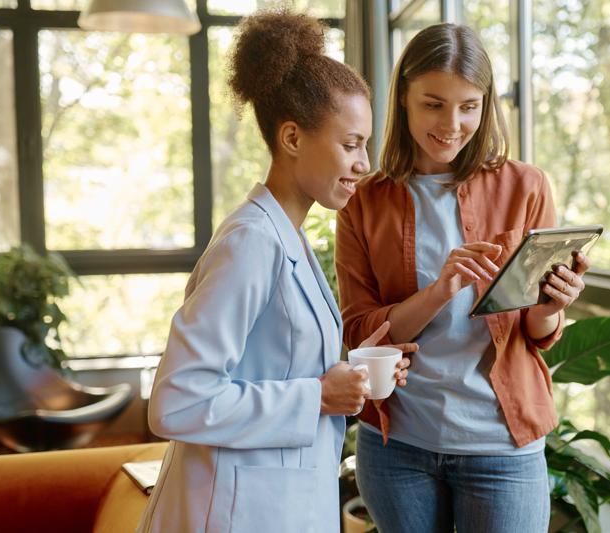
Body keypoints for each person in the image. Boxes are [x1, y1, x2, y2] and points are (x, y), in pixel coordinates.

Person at [136, 11, 414, 533]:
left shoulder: (288, 237)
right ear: (291, 137)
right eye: (350, 144)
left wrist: (350, 373)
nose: (364, 163)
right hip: (231, 512)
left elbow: (274, 367)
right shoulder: (251, 243)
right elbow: (176, 401)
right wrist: (319, 395)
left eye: (365, 144)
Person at [335, 23, 591, 533]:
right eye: (433, 104)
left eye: (468, 106)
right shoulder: (363, 201)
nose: (451, 124)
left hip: (501, 447)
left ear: (486, 105)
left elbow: (536, 334)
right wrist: (439, 290)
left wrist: (550, 308)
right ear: (403, 98)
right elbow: (360, 335)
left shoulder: (526, 187)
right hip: (398, 448)